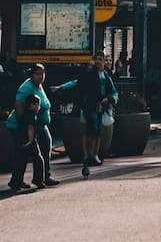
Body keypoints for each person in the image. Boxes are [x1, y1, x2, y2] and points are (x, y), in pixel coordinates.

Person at [58, 51, 119, 177]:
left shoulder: (106, 76)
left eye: (100, 59)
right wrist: (62, 87)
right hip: (87, 106)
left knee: (96, 132)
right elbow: (77, 82)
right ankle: (87, 155)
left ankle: (93, 155)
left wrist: (109, 99)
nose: (98, 62)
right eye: (96, 59)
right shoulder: (89, 73)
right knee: (87, 131)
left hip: (98, 107)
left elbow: (113, 92)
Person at [6, 63, 59, 191]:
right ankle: (17, 181)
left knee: (46, 147)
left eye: (43, 73)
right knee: (23, 154)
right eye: (37, 74)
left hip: (39, 126)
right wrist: (25, 126)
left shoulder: (39, 86)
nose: (41, 77)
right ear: (31, 75)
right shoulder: (26, 88)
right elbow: (18, 105)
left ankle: (45, 176)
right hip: (25, 125)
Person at [18, 94, 50, 188]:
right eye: (37, 105)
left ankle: (16, 181)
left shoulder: (25, 113)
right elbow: (30, 128)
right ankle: (38, 180)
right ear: (32, 105)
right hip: (29, 140)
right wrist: (31, 140)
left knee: (21, 160)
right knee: (38, 159)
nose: (39, 107)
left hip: (21, 139)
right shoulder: (32, 114)